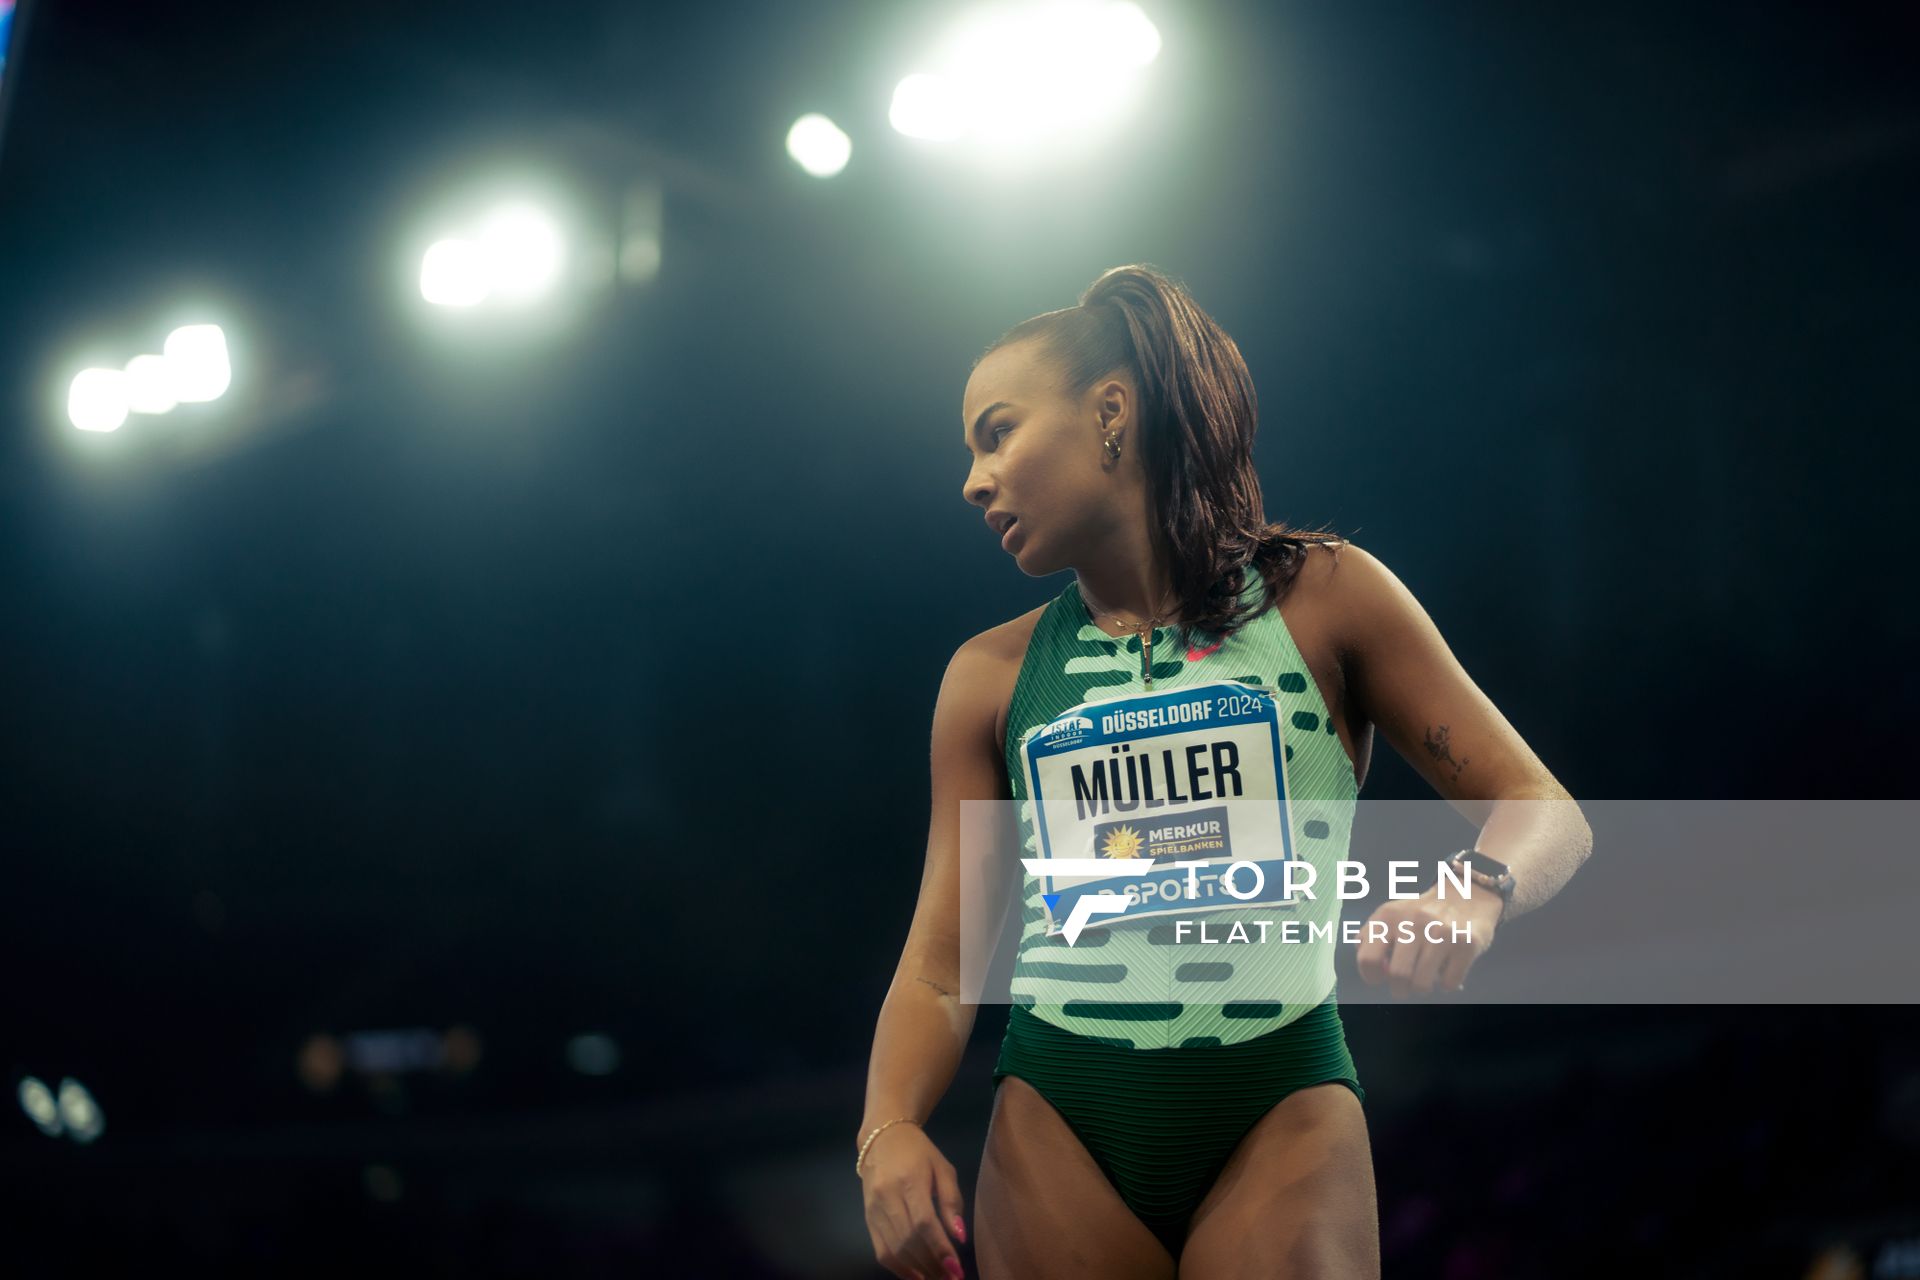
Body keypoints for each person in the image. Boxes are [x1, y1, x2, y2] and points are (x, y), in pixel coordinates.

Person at [856, 264, 1588, 1279]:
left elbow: (1542, 806)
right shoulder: (987, 677)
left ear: (1111, 412)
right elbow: (942, 960)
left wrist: (1477, 889)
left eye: (997, 431)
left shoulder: (1327, 600)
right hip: (1060, 1119)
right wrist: (885, 1128)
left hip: (1278, 1100)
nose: (973, 479)